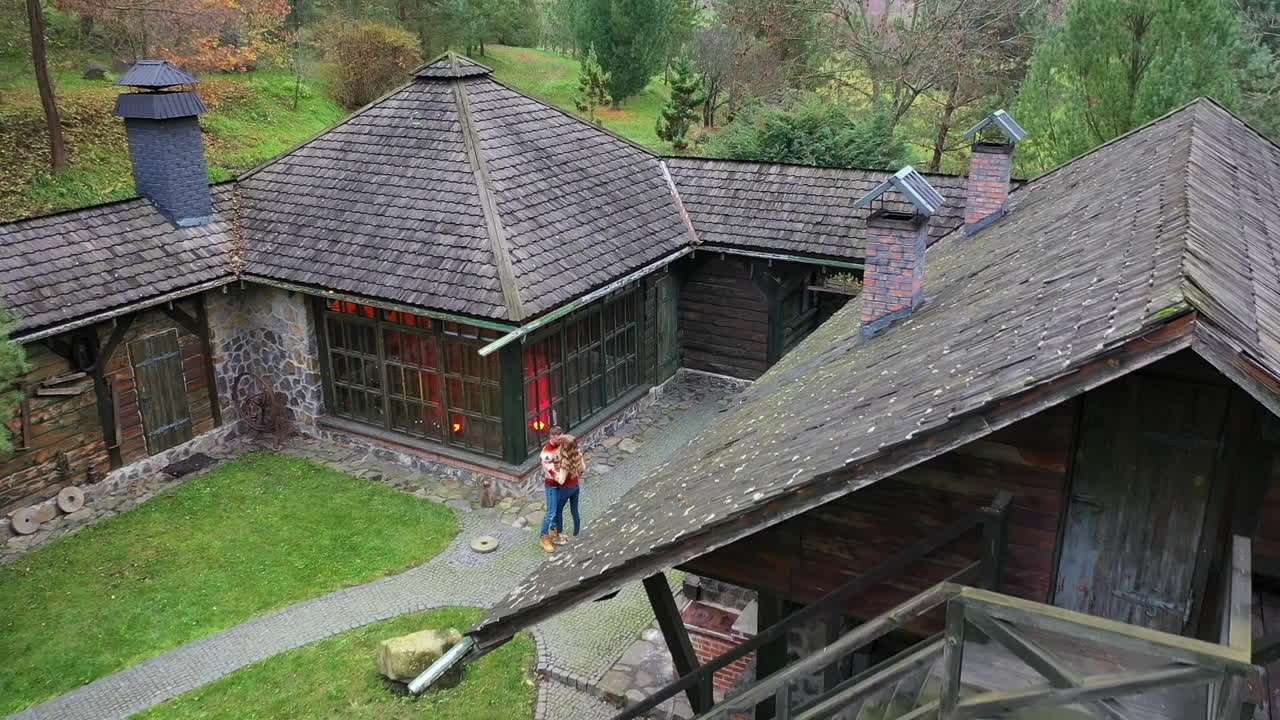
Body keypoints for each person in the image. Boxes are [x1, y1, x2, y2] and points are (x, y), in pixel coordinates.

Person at [538, 426, 585, 552]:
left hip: (562, 484)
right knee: (551, 512)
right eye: (557, 440)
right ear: (551, 437)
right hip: (553, 484)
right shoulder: (547, 453)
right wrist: (563, 472)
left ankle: (555, 532)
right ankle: (544, 537)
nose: (560, 442)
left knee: (557, 510)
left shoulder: (562, 445)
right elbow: (551, 470)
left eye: (561, 439)